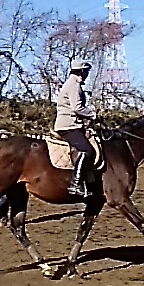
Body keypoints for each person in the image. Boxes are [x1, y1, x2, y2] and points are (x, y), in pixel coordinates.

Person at [54, 58, 97, 197]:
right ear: (82, 71)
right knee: (86, 150)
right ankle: (75, 184)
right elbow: (77, 108)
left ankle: (89, 183)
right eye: (86, 72)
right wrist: (93, 115)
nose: (87, 75)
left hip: (73, 124)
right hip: (68, 126)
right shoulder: (74, 85)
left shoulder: (72, 84)